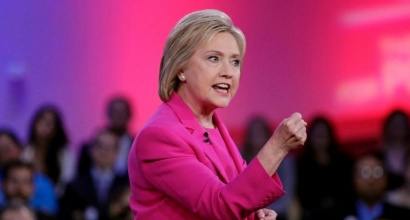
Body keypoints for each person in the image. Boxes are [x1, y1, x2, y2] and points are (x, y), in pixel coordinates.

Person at [127, 9, 307, 220]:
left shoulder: (214, 126)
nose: (228, 72)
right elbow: (220, 206)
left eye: (235, 62)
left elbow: (236, 198)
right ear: (181, 69)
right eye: (214, 58)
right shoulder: (159, 136)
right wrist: (278, 146)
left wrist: (251, 216)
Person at [58, 129, 129, 220]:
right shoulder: (74, 186)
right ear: (91, 149)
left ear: (117, 152)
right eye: (100, 146)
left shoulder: (127, 186)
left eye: (109, 147)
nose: (104, 151)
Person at [296, 116, 354, 220]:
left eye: (324, 134)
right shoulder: (302, 164)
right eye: (317, 135)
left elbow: (349, 193)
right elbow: (303, 196)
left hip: (342, 213)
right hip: (313, 215)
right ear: (310, 137)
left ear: (330, 136)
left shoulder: (344, 162)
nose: (321, 139)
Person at [241, 115, 297, 220]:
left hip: (276, 214)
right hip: (246, 214)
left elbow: (286, 198)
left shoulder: (285, 161)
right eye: (253, 132)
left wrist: (264, 212)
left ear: (268, 136)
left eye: (260, 131)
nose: (256, 135)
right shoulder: (238, 158)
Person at [328, 152, 410, 220]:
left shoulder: (403, 215)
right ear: (354, 179)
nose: (371, 179)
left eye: (378, 172)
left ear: (386, 179)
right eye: (365, 173)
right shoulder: (334, 215)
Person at [0, 129, 58, 216]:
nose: (19, 186)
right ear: (3, 185)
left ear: (19, 148)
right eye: (0, 151)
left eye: (7, 149)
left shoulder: (44, 184)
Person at [21, 104, 76, 195]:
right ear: (34, 124)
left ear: (56, 129)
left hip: (57, 200)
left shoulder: (65, 154)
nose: (45, 126)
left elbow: (67, 182)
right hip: (27, 198)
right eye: (42, 121)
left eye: (50, 123)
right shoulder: (26, 150)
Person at [77, 96, 134, 177]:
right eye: (115, 111)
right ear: (108, 114)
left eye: (122, 112)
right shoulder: (89, 146)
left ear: (129, 115)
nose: (118, 116)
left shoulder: (137, 146)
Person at [381, 109, 410, 190]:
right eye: (394, 124)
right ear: (387, 127)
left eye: (401, 125)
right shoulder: (377, 156)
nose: (397, 128)